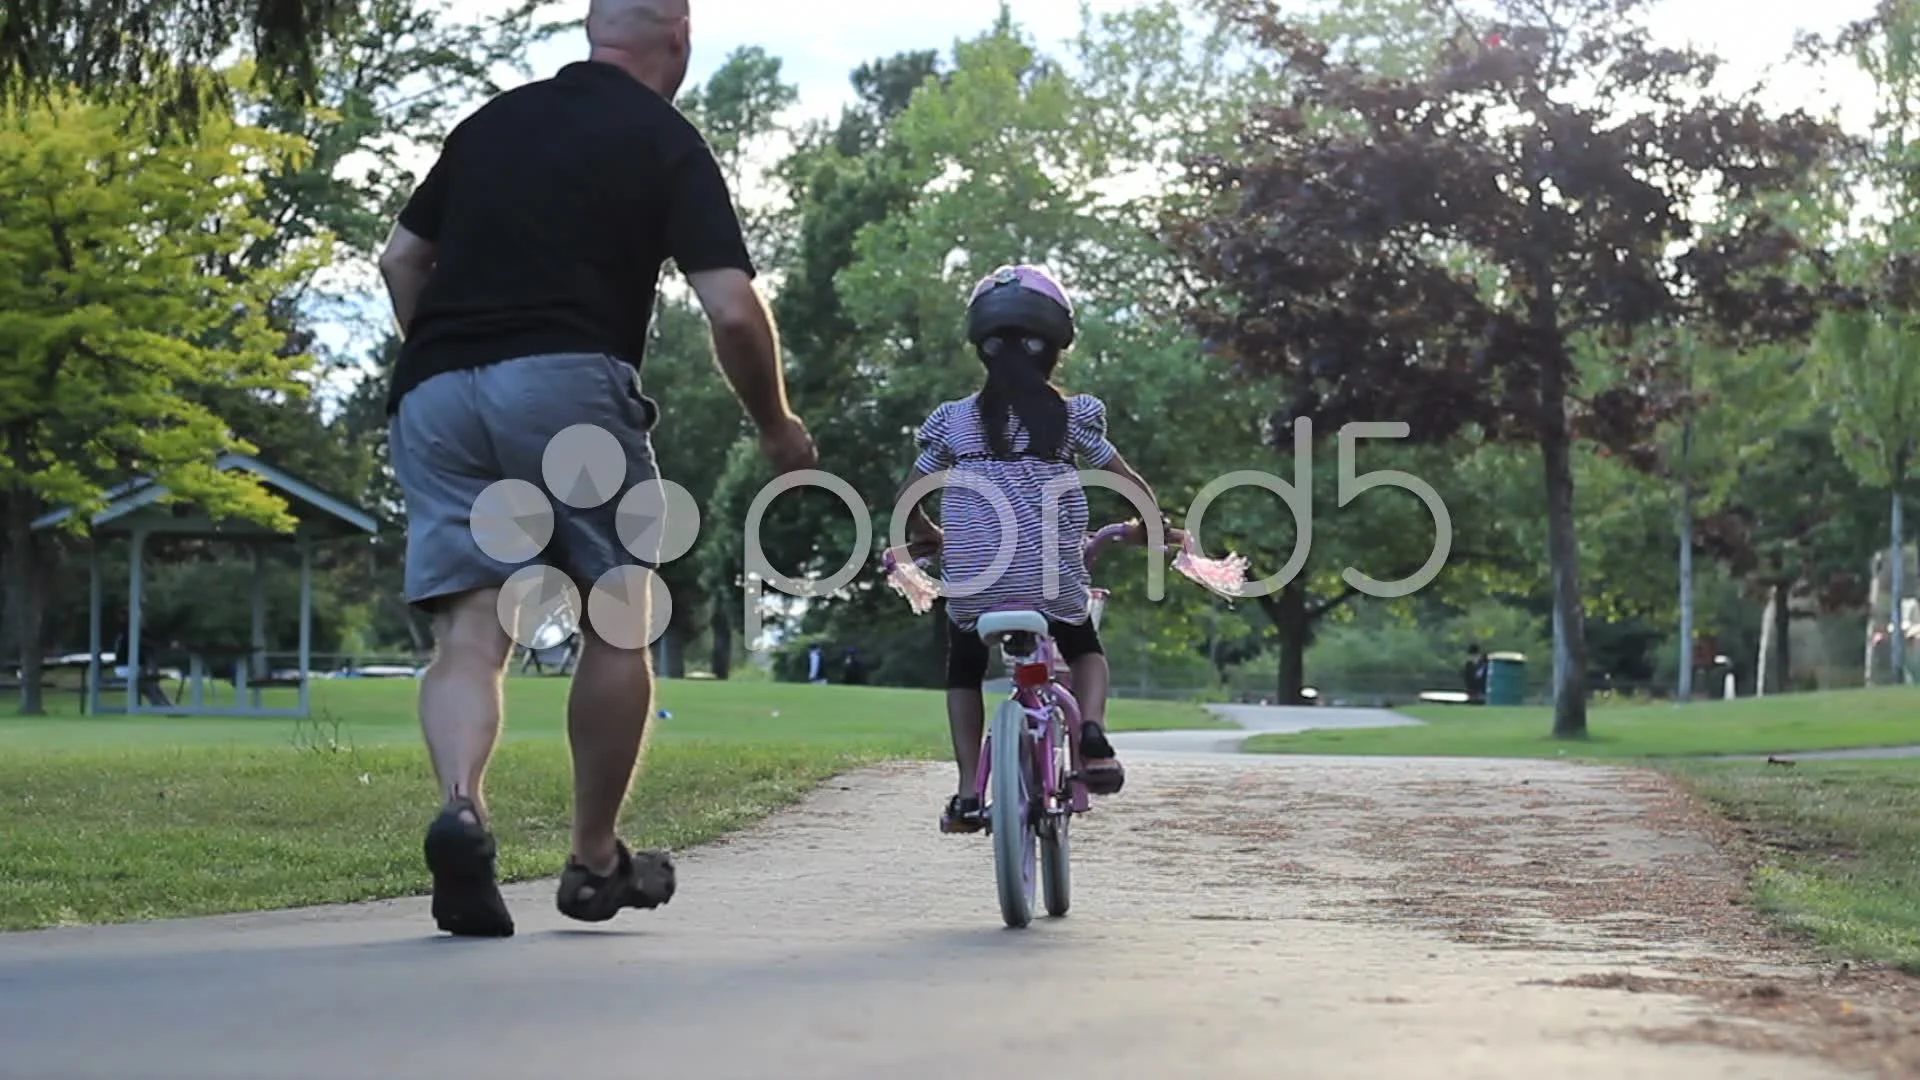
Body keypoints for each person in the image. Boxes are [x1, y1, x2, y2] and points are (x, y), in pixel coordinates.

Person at [377, 0, 816, 938]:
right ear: (678, 41)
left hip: (435, 385)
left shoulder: (492, 122)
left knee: (469, 630)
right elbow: (733, 311)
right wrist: (776, 427)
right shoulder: (662, 138)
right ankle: (593, 858)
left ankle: (462, 806)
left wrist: (453, 361)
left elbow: (402, 257)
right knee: (620, 613)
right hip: (566, 383)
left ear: (591, 29)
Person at [895, 264, 1183, 834]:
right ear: (1055, 349)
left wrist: (926, 532)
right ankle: (1093, 734)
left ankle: (966, 791)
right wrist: (1152, 527)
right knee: (1083, 646)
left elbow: (907, 499)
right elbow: (1128, 484)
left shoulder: (954, 423)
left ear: (983, 348)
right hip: (1051, 582)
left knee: (965, 666)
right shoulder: (1073, 419)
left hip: (975, 586)